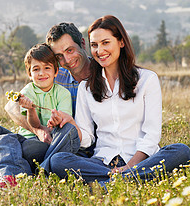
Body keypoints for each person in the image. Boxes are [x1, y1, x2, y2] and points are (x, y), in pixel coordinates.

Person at [46, 15, 190, 187]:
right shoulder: (86, 87)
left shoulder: (147, 79)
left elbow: (151, 135)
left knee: (181, 151)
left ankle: (114, 182)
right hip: (102, 163)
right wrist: (71, 123)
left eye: (105, 43)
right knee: (58, 160)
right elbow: (87, 139)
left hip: (139, 160)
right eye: (94, 45)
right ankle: (128, 180)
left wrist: (129, 167)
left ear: (121, 42)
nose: (99, 51)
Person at [0, 22, 91, 179]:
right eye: (59, 56)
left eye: (70, 50)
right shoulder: (52, 72)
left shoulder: (102, 77)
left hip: (63, 144)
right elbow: (12, 107)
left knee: (31, 147)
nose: (66, 60)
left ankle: (19, 171)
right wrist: (38, 130)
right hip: (36, 138)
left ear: (82, 44)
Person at [0, 43, 79, 186]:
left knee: (27, 150)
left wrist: (55, 121)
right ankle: (11, 178)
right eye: (36, 69)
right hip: (28, 139)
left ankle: (18, 173)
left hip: (49, 144)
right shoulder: (27, 92)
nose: (42, 73)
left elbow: (64, 125)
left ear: (56, 71)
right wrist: (30, 109)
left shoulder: (63, 94)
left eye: (47, 68)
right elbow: (35, 125)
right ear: (30, 74)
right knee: (3, 140)